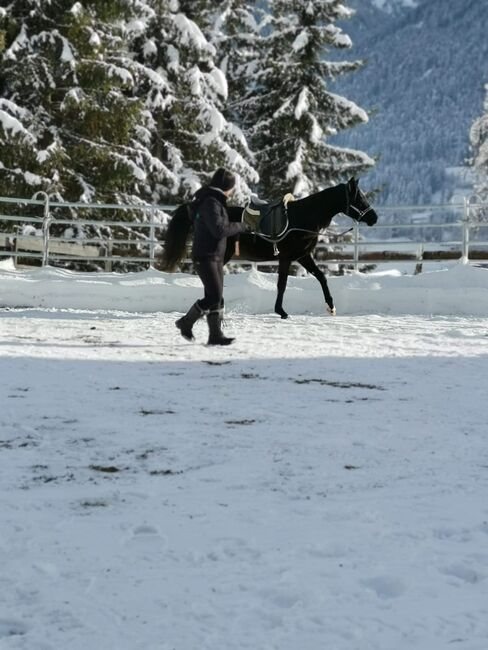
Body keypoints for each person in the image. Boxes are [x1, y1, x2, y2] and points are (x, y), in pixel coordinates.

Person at [175, 168, 251, 345]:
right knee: (214, 297)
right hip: (205, 256)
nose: (232, 191)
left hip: (214, 256)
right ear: (227, 187)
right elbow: (219, 230)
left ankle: (215, 335)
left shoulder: (214, 200)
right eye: (232, 188)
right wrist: (242, 226)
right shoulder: (211, 202)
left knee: (216, 295)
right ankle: (186, 322)